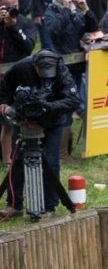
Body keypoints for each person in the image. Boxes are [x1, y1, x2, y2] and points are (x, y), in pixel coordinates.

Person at [0, 49, 80, 220]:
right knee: (17, 161)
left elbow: (73, 100)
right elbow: (5, 84)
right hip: (24, 120)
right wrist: (5, 103)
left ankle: (49, 206)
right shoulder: (22, 67)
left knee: (51, 161)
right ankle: (14, 205)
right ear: (34, 65)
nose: (45, 76)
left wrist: (48, 106)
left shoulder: (61, 71)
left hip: (52, 121)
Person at [44, 0, 99, 121]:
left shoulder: (77, 12)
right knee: (66, 103)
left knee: (75, 99)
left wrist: (86, 9)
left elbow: (93, 28)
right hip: (63, 64)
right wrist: (66, 10)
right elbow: (55, 32)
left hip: (77, 62)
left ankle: (67, 137)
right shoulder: (51, 12)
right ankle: (63, 138)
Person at [0, 0, 36, 166]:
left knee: (10, 119)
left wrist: (13, 26)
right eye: (8, 5)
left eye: (16, 4)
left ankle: (8, 161)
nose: (13, 8)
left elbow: (29, 46)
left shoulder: (25, 22)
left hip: (17, 78)